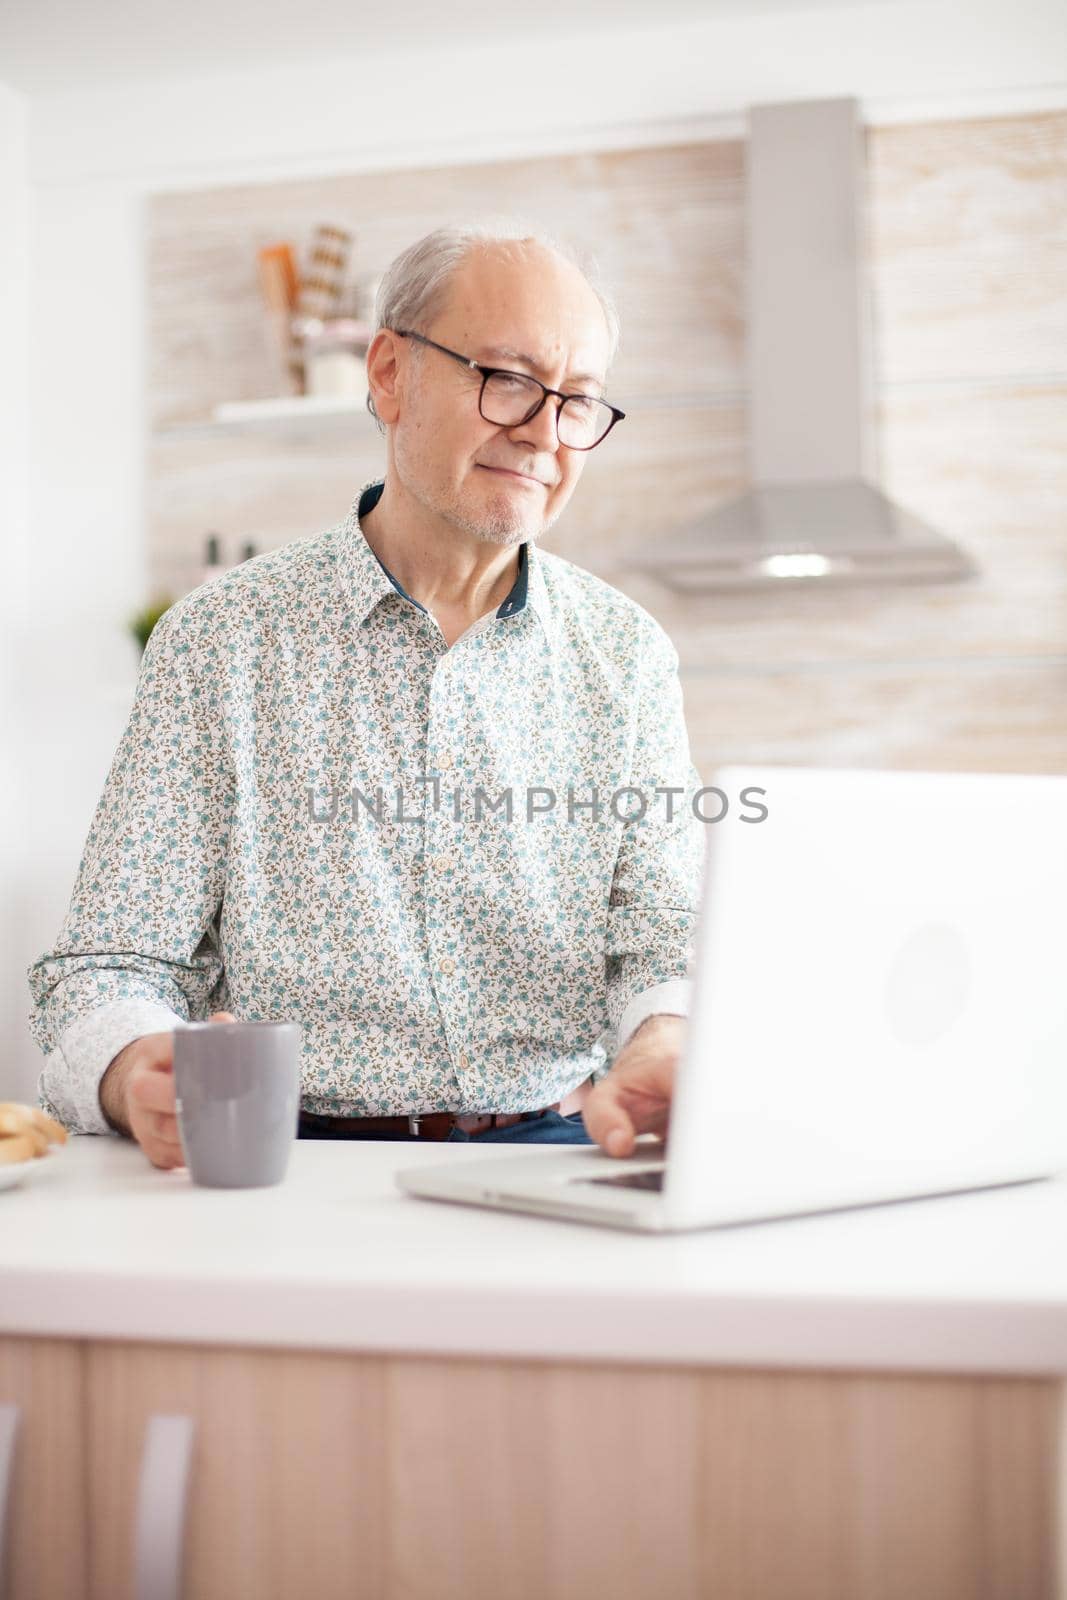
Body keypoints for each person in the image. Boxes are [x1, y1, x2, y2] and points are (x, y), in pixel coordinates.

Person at [27, 218, 702, 1168]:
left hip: (558, 1149)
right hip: (287, 1159)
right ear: (389, 374)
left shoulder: (625, 654)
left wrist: (664, 1036)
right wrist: (136, 1065)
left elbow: (664, 938)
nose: (545, 434)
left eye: (578, 400)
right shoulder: (223, 640)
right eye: (505, 380)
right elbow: (107, 967)